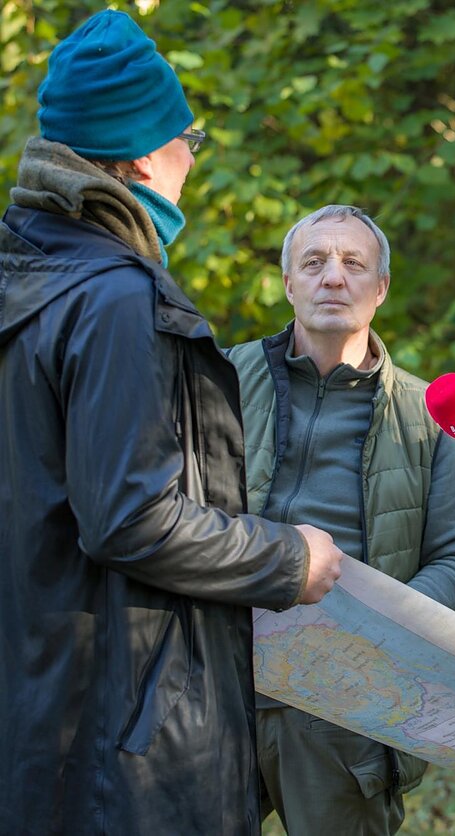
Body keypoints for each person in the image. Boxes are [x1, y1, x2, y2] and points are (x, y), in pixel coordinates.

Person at [0, 11, 344, 834]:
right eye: (189, 136)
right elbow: (130, 518)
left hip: (44, 709)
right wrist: (286, 557)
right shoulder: (114, 296)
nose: (193, 155)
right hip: (133, 743)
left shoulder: (25, 275)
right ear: (144, 154)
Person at [228, 204, 455, 835]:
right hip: (217, 677)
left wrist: (381, 619)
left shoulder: (424, 416)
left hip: (345, 701)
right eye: (313, 262)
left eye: (353, 264)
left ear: (380, 289)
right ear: (288, 283)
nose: (332, 278)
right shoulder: (223, 377)